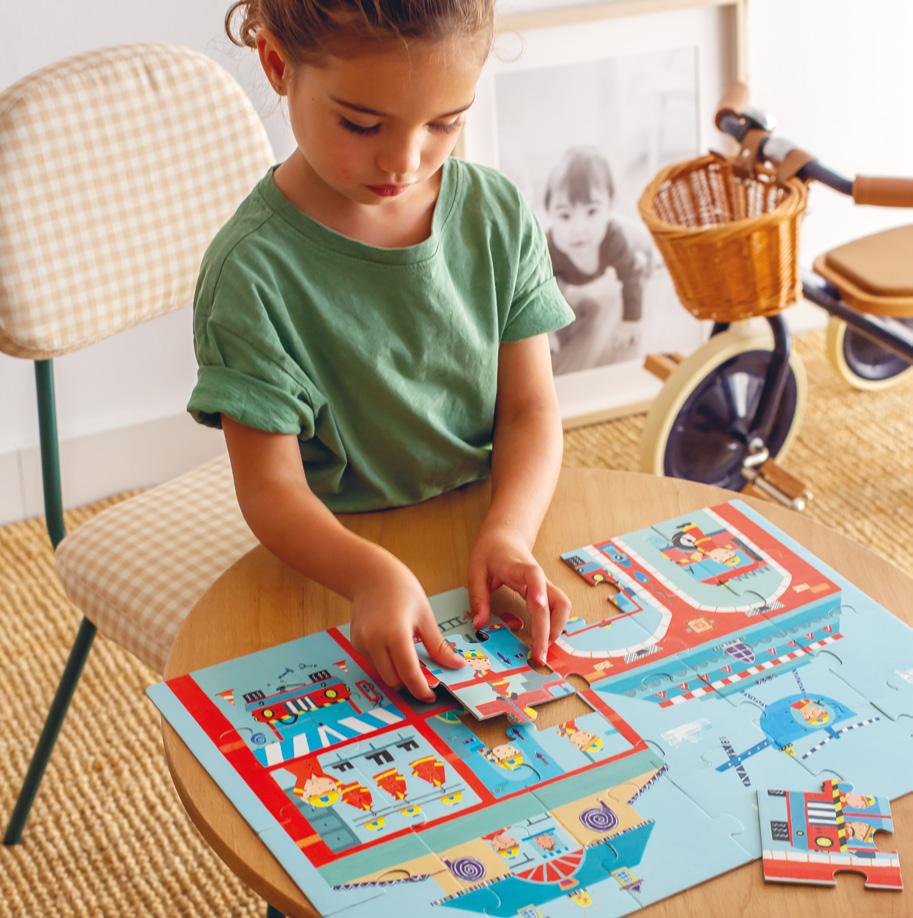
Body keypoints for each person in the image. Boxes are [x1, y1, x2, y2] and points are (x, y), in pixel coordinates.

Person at [187, 0, 575, 702]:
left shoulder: (496, 213)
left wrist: (510, 534)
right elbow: (271, 491)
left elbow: (529, 410)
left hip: (490, 517)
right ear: (277, 65)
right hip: (336, 557)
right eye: (362, 124)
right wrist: (369, 575)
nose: (405, 160)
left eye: (445, 123)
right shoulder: (249, 274)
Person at [544, 146, 646, 373]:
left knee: (639, 256)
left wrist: (631, 321)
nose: (579, 228)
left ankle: (645, 256)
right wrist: (547, 332)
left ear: (610, 208)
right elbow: (537, 296)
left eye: (591, 211)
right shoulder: (548, 248)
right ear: (549, 213)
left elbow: (630, 278)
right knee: (548, 285)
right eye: (565, 215)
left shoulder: (613, 236)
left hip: (618, 240)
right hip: (565, 274)